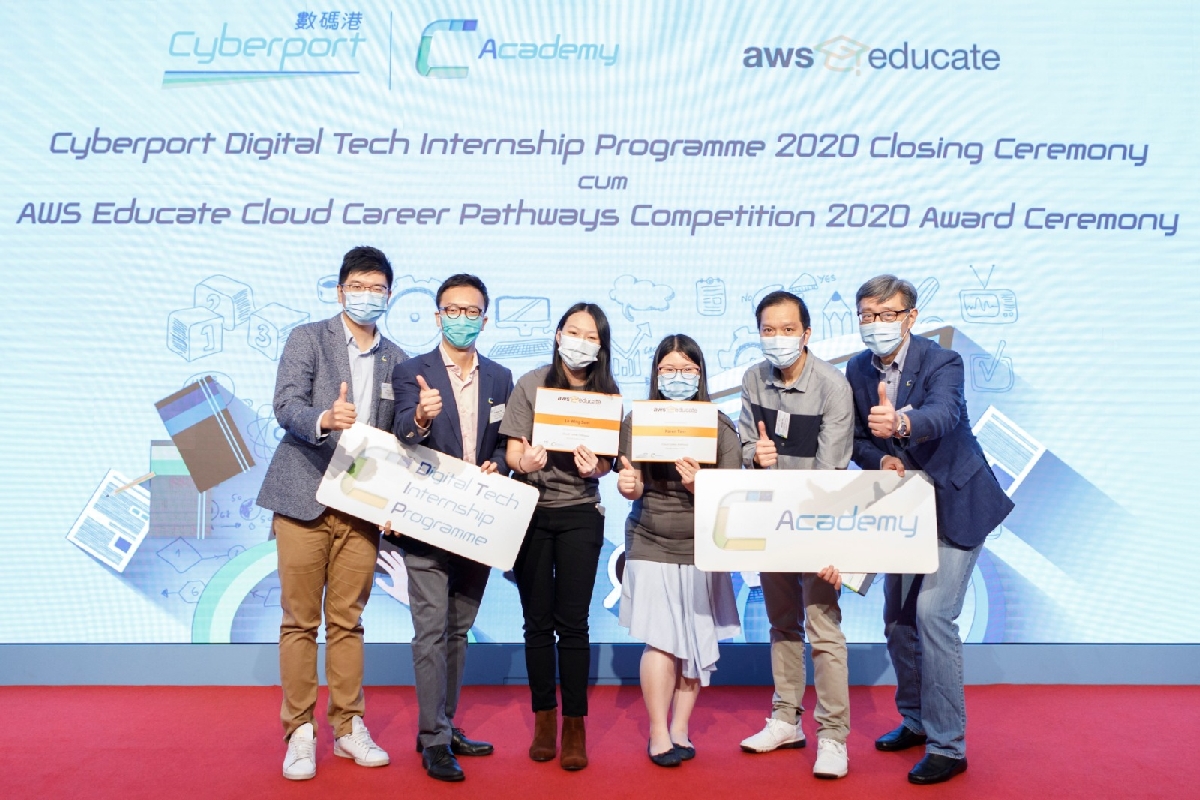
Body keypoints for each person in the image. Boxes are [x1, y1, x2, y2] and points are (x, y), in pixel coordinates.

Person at [846, 275, 1014, 785]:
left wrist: (900, 425)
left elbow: (944, 414)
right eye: (867, 316)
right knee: (898, 620)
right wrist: (880, 461)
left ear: (911, 317)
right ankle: (916, 721)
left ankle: (949, 745)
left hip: (955, 504)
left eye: (887, 314)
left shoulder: (942, 361)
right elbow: (857, 439)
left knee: (933, 616)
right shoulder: (856, 368)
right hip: (904, 510)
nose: (877, 324)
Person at [256, 246, 407, 781]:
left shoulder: (396, 357)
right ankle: (299, 731)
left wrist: (423, 423)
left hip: (360, 504)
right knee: (300, 621)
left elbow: (399, 437)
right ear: (341, 289)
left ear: (389, 294)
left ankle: (348, 728)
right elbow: (284, 404)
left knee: (348, 621)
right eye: (358, 286)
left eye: (378, 288)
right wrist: (324, 416)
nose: (368, 295)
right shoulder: (308, 338)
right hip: (302, 495)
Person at [391, 274, 514, 782]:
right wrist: (420, 417)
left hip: (477, 520)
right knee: (429, 628)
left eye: (472, 312)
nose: (462, 319)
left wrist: (501, 465)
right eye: (453, 310)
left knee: (458, 628)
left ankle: (445, 723)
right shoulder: (409, 371)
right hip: (425, 516)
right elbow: (398, 432)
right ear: (437, 316)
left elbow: (509, 441)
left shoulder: (502, 376)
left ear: (485, 318)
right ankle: (433, 740)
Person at [736, 290, 855, 780]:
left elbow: (832, 469)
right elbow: (745, 444)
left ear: (807, 333)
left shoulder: (832, 385)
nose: (778, 339)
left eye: (788, 330)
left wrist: (825, 541)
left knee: (823, 627)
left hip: (818, 519)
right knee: (782, 623)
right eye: (769, 329)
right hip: (770, 523)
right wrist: (753, 456)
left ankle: (833, 736)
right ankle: (786, 720)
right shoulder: (751, 379)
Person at [499, 302, 620, 771]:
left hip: (580, 514)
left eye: (591, 337)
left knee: (573, 623)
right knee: (536, 622)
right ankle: (543, 718)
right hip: (530, 511)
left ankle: (574, 724)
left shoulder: (607, 393)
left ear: (601, 346)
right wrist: (523, 462)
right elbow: (512, 450)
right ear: (557, 335)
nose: (580, 342)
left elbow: (608, 463)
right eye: (574, 332)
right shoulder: (532, 383)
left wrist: (600, 467)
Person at [615, 334, 742, 767]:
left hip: (703, 545)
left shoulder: (721, 424)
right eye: (668, 369)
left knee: (693, 640)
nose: (678, 377)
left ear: (701, 374)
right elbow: (628, 480)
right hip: (650, 540)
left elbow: (733, 493)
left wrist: (699, 484)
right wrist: (627, 487)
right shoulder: (636, 421)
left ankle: (681, 728)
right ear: (655, 374)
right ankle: (657, 733)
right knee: (660, 640)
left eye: (687, 370)